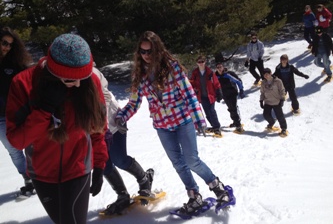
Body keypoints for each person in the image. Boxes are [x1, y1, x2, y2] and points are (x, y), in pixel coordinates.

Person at [115, 31, 233, 215]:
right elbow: (134, 102)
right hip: (162, 126)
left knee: (191, 160)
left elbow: (189, 94)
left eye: (150, 51)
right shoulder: (139, 76)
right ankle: (194, 196)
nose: (146, 55)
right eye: (142, 51)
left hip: (182, 120)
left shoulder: (172, 68)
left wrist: (199, 119)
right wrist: (121, 116)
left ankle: (218, 187)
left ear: (158, 50)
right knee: (178, 163)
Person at [6, 33, 108, 224]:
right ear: (53, 72)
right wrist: (44, 109)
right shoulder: (24, 84)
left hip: (78, 170)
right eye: (70, 80)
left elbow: (98, 129)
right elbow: (17, 140)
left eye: (82, 78)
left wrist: (99, 165)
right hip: (42, 173)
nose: (78, 84)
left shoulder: (90, 82)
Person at [93, 66, 154, 215]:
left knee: (119, 159)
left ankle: (144, 179)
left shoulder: (92, 74)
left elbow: (104, 97)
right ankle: (122, 195)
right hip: (93, 130)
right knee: (104, 164)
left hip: (113, 123)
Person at [0, 26, 34, 194]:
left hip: (17, 113)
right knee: (13, 150)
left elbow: (28, 85)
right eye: (4, 43)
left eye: (10, 44)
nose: (6, 47)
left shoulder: (15, 65)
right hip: (0, 118)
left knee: (30, 144)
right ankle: (28, 178)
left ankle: (39, 174)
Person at [190, 55, 223, 137]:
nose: (201, 63)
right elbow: (191, 83)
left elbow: (216, 83)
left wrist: (219, 92)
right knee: (207, 113)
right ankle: (213, 126)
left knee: (212, 111)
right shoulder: (195, 73)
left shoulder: (210, 72)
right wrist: (193, 89)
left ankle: (217, 127)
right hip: (201, 96)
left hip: (210, 96)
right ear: (197, 63)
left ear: (205, 62)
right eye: (199, 62)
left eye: (202, 62)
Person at [215, 63, 245, 133]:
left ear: (223, 67)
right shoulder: (216, 76)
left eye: (220, 67)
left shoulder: (229, 74)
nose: (219, 68)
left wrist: (241, 90)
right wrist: (217, 95)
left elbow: (238, 81)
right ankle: (235, 121)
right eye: (218, 67)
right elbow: (215, 86)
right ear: (216, 68)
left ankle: (238, 125)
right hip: (225, 95)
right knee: (230, 108)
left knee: (233, 108)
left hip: (233, 93)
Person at [260, 68, 287, 136]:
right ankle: (271, 122)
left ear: (270, 73)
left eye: (267, 74)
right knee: (266, 115)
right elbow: (262, 92)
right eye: (264, 74)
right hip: (268, 102)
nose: (266, 76)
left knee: (280, 116)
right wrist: (261, 100)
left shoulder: (277, 81)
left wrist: (282, 99)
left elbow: (282, 90)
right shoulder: (263, 82)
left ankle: (283, 129)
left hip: (276, 101)